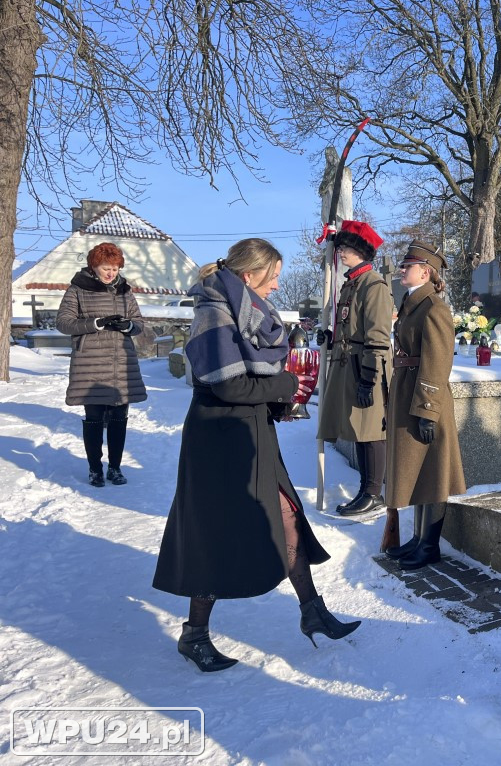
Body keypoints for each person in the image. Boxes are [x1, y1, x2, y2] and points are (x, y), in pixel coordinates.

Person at [153, 238, 360, 672]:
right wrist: (285, 387)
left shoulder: (248, 310)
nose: (277, 286)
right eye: (273, 277)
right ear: (249, 276)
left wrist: (280, 403)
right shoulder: (214, 309)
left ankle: (312, 610)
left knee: (285, 513)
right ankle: (194, 635)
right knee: (216, 535)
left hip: (251, 432)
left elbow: (248, 379)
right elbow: (227, 385)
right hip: (218, 441)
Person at [382, 240, 466, 571]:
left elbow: (437, 361)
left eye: (408, 266)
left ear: (425, 271)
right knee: (417, 472)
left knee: (432, 473)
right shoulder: (412, 304)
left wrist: (427, 410)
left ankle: (429, 546)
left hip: (424, 400)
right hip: (408, 393)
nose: (402, 270)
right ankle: (418, 540)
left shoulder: (434, 308)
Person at [316, 220, 394, 516]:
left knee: (371, 430)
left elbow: (376, 335)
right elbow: (347, 325)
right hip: (349, 363)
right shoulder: (352, 284)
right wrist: (330, 337)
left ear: (361, 251)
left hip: (366, 366)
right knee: (360, 430)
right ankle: (366, 488)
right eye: (341, 248)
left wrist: (369, 380)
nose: (341, 253)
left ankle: (373, 492)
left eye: (346, 248)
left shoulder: (373, 285)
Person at [56, 242, 147, 487]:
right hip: (90, 364)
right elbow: (63, 323)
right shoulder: (77, 289)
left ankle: (115, 468)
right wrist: (95, 323)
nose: (111, 273)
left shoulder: (125, 291)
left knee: (119, 418)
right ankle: (95, 468)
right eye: (106, 268)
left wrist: (128, 326)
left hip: (120, 364)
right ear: (94, 266)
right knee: (94, 417)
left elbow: (139, 322)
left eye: (115, 269)